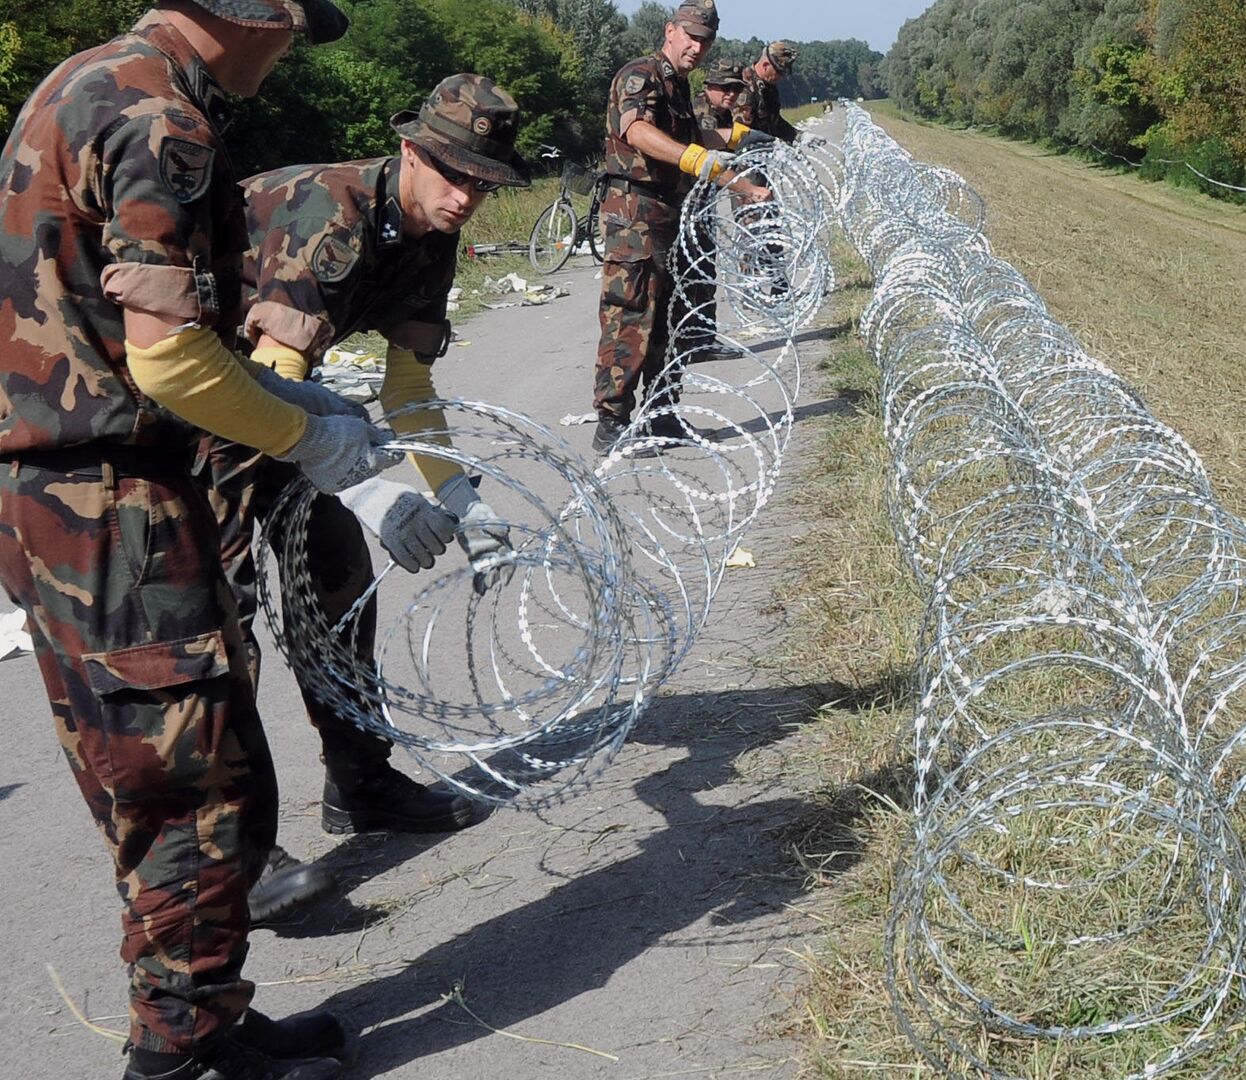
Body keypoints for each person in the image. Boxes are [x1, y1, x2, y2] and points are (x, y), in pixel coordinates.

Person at [0, 1, 391, 1077]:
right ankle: (174, 1055)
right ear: (248, 18)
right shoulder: (161, 116)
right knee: (196, 791)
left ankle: (201, 1014)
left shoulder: (86, 82)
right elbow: (169, 361)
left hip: (61, 494)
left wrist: (282, 391)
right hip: (109, 497)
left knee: (155, 776)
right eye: (292, 24)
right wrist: (305, 432)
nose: (291, 47)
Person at [218, 74, 534, 921]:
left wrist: (459, 497)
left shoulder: (431, 231)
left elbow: (408, 385)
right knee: (218, 624)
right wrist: (363, 486)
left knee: (339, 587)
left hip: (283, 397)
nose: (467, 196)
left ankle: (361, 787)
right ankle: (236, 857)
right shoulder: (329, 213)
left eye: (483, 182)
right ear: (409, 152)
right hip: (193, 402)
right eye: (453, 174)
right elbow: (266, 376)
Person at [592, 0, 771, 455]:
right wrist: (698, 158)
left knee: (671, 316)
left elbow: (694, 142)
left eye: (705, 40)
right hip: (635, 213)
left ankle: (661, 412)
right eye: (690, 36)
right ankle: (612, 421)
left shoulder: (678, 86)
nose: (697, 46)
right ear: (670, 30)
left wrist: (741, 167)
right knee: (631, 314)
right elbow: (638, 132)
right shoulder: (641, 75)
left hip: (671, 212)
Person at [681, 59, 752, 360]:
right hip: (690, 203)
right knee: (696, 270)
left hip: (702, 203)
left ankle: (701, 339)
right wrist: (743, 187)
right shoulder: (702, 112)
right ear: (709, 86)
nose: (731, 94)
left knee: (704, 267)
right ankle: (695, 340)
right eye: (725, 88)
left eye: (736, 89)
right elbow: (710, 162)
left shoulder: (721, 112)